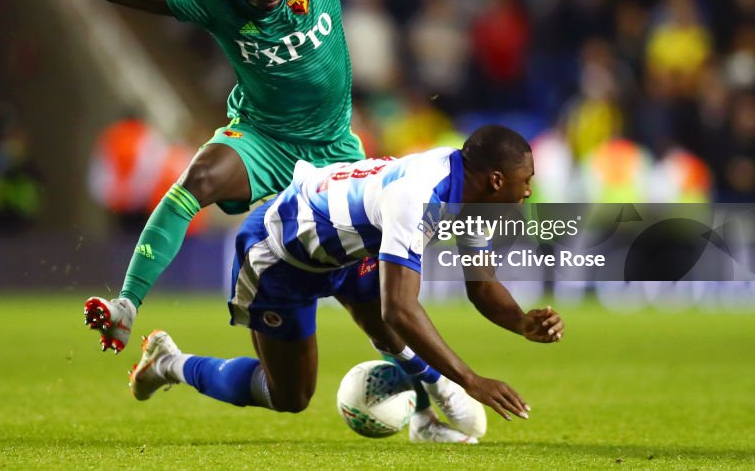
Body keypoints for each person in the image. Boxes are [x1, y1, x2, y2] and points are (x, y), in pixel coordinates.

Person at [80, 0, 368, 354]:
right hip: (262, 139)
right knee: (197, 179)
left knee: (365, 293)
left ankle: (425, 387)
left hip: (334, 150)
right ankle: (126, 305)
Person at [128, 125, 565, 442]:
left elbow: (482, 285)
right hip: (281, 254)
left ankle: (424, 419)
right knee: (291, 395)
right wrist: (470, 379)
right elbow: (401, 308)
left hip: (348, 251)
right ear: (496, 181)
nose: (528, 192)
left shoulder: (472, 198)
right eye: (526, 182)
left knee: (388, 330)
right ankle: (169, 363)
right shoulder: (421, 197)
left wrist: (522, 322)